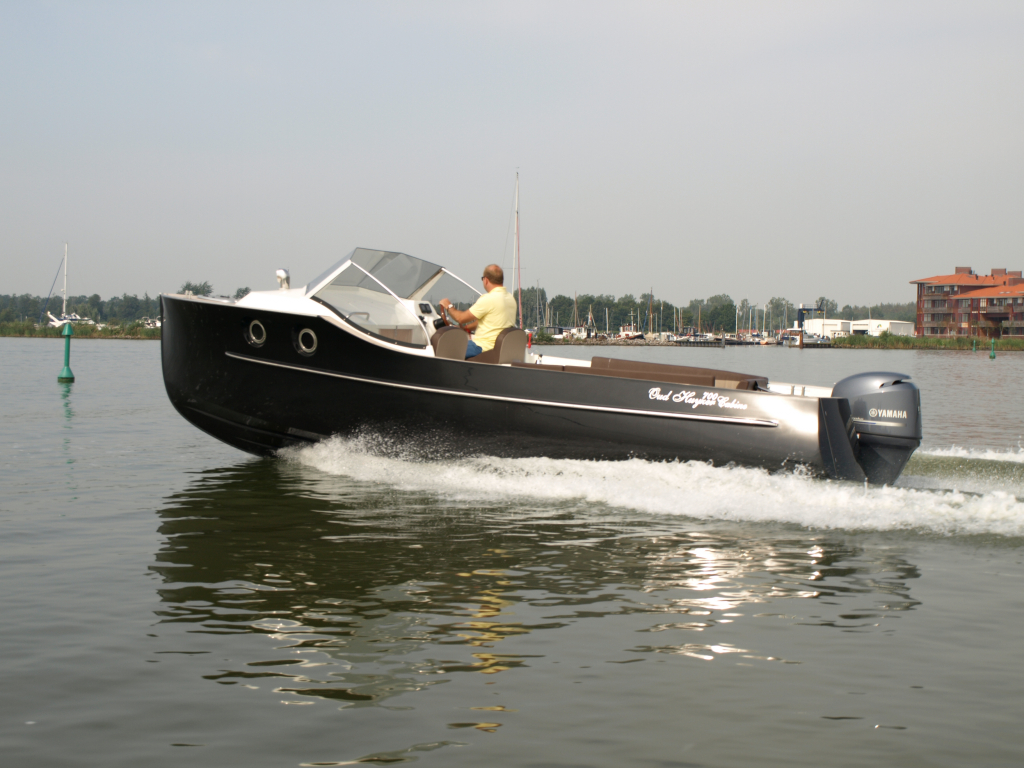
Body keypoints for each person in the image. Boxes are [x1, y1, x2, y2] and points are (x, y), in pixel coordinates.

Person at [439, 264, 517, 359]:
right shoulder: (510, 298)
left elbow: (460, 318)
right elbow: (489, 320)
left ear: (486, 280)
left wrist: (448, 305)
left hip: (483, 347)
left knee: (445, 349)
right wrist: (466, 328)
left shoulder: (488, 299)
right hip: (499, 347)